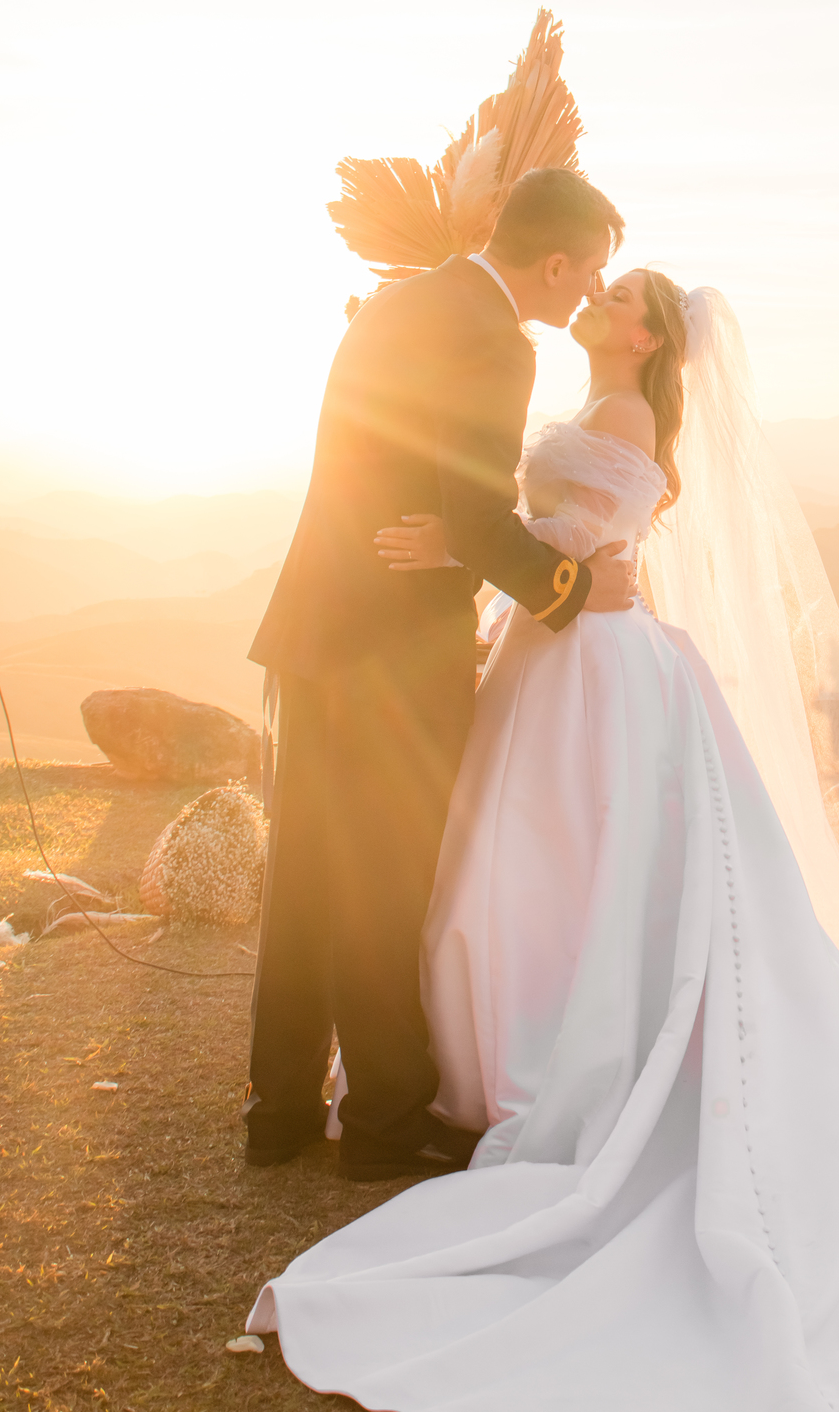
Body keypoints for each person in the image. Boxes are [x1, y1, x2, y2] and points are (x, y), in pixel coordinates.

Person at [250, 272, 839, 1411]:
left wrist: (473, 542)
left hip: (593, 664)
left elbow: (592, 543)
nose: (594, 295)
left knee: (569, 866)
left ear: (644, 336)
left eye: (616, 293)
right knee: (519, 871)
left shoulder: (625, 414)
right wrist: (482, 537)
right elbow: (552, 543)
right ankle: (490, 1055)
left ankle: (558, 1054)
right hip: (549, 653)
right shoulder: (587, 400)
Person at [244, 168, 636, 1179]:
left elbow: (384, 459)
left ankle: (277, 1112)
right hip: (396, 646)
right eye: (589, 270)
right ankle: (380, 1127)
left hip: (318, 618)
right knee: (386, 880)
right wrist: (568, 584)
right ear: (553, 262)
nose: (590, 291)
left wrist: (440, 536)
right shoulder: (496, 341)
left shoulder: (404, 299)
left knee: (307, 874)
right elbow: (470, 509)